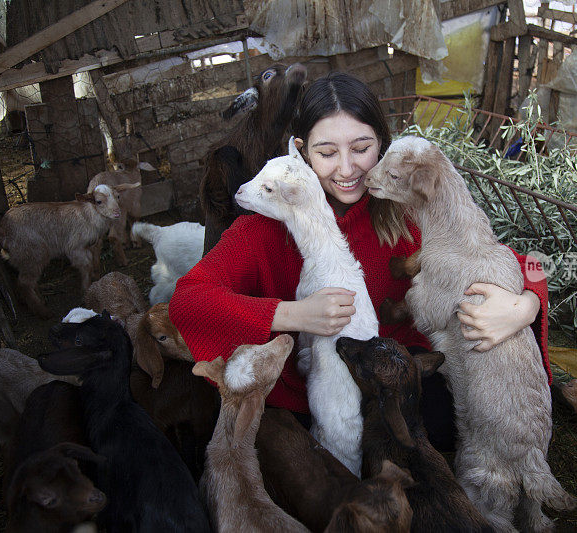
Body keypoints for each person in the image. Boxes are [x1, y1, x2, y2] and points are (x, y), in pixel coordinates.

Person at [169, 72, 550, 450]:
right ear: (301, 152)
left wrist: (524, 304)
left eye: (361, 148)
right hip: (316, 387)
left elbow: (530, 261)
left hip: (398, 374)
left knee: (451, 424)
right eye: (327, 153)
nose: (348, 169)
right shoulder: (263, 230)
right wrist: (292, 314)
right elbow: (188, 300)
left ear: (382, 145)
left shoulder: (408, 208)